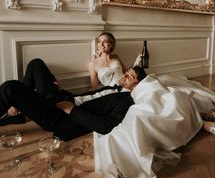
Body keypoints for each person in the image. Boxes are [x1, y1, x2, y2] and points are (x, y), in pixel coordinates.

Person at [0, 60, 147, 141]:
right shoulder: (113, 87)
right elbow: (86, 97)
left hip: (62, 116)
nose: (124, 76)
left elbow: (105, 126)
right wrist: (61, 91)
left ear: (137, 84)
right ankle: (17, 106)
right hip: (63, 98)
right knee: (36, 64)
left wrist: (70, 109)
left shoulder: (127, 102)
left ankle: (17, 105)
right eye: (126, 73)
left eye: (130, 76)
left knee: (10, 88)